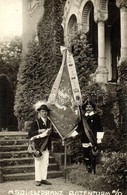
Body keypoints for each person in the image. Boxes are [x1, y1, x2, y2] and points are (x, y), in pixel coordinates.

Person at [28, 101, 59, 186]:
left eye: (46, 111)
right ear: (39, 112)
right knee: (38, 162)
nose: (44, 113)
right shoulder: (36, 122)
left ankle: (43, 179)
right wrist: (38, 131)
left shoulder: (50, 123)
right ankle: (37, 180)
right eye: (42, 111)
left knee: (46, 163)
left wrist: (62, 136)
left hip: (47, 145)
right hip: (38, 146)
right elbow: (30, 134)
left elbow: (52, 134)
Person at [70, 101, 103, 174]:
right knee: (86, 154)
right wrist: (72, 134)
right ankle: (88, 169)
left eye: (90, 107)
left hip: (94, 139)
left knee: (94, 154)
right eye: (87, 107)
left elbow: (100, 128)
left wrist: (99, 139)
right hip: (85, 139)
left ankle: (94, 169)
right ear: (85, 108)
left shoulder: (96, 117)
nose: (88, 108)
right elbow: (79, 128)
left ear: (92, 108)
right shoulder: (83, 118)